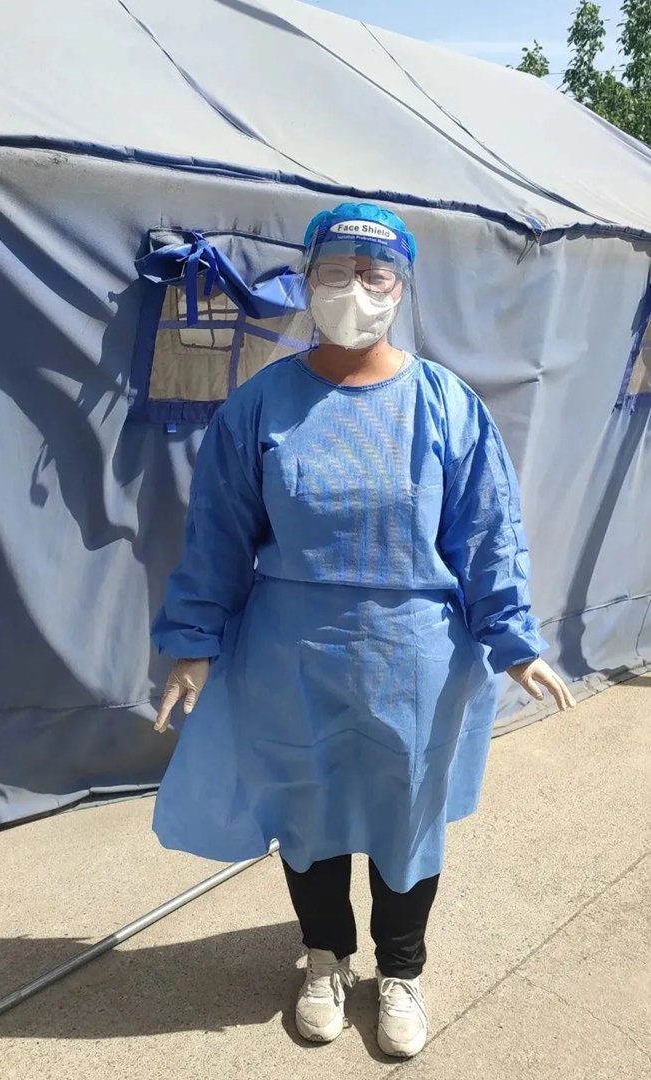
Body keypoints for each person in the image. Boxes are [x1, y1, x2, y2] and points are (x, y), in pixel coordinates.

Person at [151, 202, 575, 1059]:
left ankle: (402, 971)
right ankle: (324, 958)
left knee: (404, 817)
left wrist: (514, 638)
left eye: (375, 274)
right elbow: (219, 532)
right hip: (293, 654)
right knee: (306, 813)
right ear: (308, 279)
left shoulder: (444, 405)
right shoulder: (262, 406)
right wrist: (193, 642)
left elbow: (488, 531)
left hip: (413, 656)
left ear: (401, 287)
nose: (356, 289)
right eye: (337, 271)